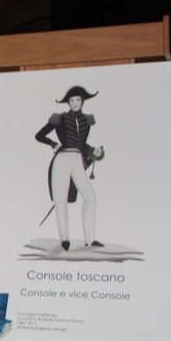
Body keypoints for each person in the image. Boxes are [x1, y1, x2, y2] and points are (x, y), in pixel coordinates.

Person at [35, 86, 105, 251]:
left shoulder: (87, 121)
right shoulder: (59, 118)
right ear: (68, 102)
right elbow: (39, 135)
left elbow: (81, 145)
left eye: (78, 100)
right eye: (72, 100)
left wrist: (95, 151)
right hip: (62, 160)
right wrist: (52, 143)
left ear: (82, 101)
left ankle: (90, 239)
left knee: (90, 197)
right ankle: (65, 239)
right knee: (60, 200)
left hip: (77, 160)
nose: (75, 103)